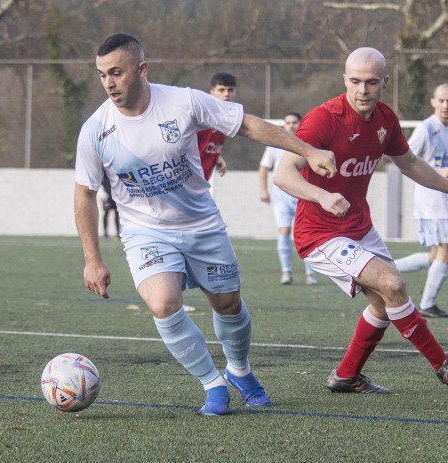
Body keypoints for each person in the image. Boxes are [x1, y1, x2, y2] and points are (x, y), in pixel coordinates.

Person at [74, 33, 336, 416]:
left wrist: (308, 150)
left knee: (228, 304)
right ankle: (213, 384)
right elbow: (84, 194)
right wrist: (91, 258)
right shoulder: (95, 130)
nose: (108, 83)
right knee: (163, 304)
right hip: (145, 231)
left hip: (201, 223)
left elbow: (247, 125)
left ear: (141, 69)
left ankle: (240, 371)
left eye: (116, 72)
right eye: (101, 75)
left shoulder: (183, 101)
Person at [273, 47, 448, 394]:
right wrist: (322, 195)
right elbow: (283, 174)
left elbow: (410, 164)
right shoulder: (323, 118)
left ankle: (346, 376)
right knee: (392, 283)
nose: (363, 90)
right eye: (356, 81)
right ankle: (442, 365)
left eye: (372, 82)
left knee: (381, 301)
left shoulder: (385, 120)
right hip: (320, 234)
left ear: (385, 82)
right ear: (345, 79)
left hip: (360, 227)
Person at [391, 84, 448, 318]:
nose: (446, 105)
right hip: (429, 198)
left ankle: (386, 270)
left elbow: (437, 164)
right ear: (433, 102)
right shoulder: (425, 129)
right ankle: (427, 303)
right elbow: (405, 160)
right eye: (442, 100)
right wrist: (437, 173)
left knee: (436, 255)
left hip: (441, 195)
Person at [259, 112, 318, 286]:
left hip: (303, 193)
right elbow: (264, 167)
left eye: (294, 122)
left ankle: (310, 273)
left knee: (307, 232)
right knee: (284, 230)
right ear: (284, 125)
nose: (291, 126)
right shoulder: (275, 144)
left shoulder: (308, 144)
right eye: (288, 122)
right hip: (281, 194)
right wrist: (263, 190)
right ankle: (286, 271)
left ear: (300, 124)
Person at [196, 72, 235, 181]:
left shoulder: (223, 121)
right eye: (221, 90)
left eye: (230, 90)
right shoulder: (203, 119)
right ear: (212, 93)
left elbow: (204, 146)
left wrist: (216, 157)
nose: (227, 94)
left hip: (200, 184)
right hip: (186, 185)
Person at [100, 173, 120, 239]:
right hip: (107, 196)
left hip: (116, 196)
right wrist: (103, 195)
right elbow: (101, 183)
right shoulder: (104, 174)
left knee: (117, 213)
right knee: (106, 213)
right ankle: (105, 233)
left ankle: (118, 232)